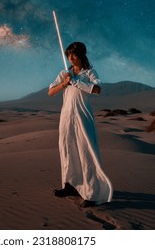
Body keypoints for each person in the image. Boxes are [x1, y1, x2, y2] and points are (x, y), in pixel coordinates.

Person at [48, 41, 113, 207]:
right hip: (66, 116)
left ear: (82, 54)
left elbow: (97, 89)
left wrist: (76, 82)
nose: (70, 58)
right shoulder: (64, 73)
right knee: (67, 149)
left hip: (82, 116)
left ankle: (91, 193)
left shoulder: (89, 72)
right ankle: (69, 186)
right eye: (68, 55)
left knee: (86, 151)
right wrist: (65, 83)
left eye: (73, 54)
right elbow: (50, 92)